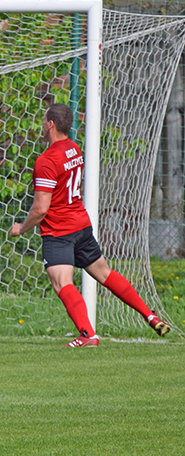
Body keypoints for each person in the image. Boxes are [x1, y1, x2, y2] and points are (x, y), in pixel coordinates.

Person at [10, 103, 171, 346]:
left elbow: (41, 208)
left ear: (50, 124)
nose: (43, 125)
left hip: (60, 230)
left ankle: (88, 334)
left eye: (44, 121)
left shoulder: (46, 160)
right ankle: (150, 315)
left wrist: (21, 228)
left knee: (62, 282)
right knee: (104, 273)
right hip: (81, 225)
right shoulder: (73, 149)